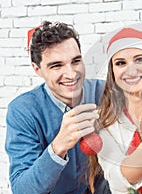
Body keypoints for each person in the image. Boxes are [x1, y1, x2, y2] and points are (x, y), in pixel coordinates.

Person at [5, 21, 110, 194]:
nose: (71, 74)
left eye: (76, 61)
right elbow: (22, 189)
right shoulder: (22, 111)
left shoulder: (103, 92)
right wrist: (58, 146)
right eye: (56, 66)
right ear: (37, 69)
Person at [88, 27, 142, 193]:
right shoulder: (103, 120)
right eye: (121, 63)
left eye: (139, 59)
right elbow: (119, 183)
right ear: (112, 72)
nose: (131, 70)